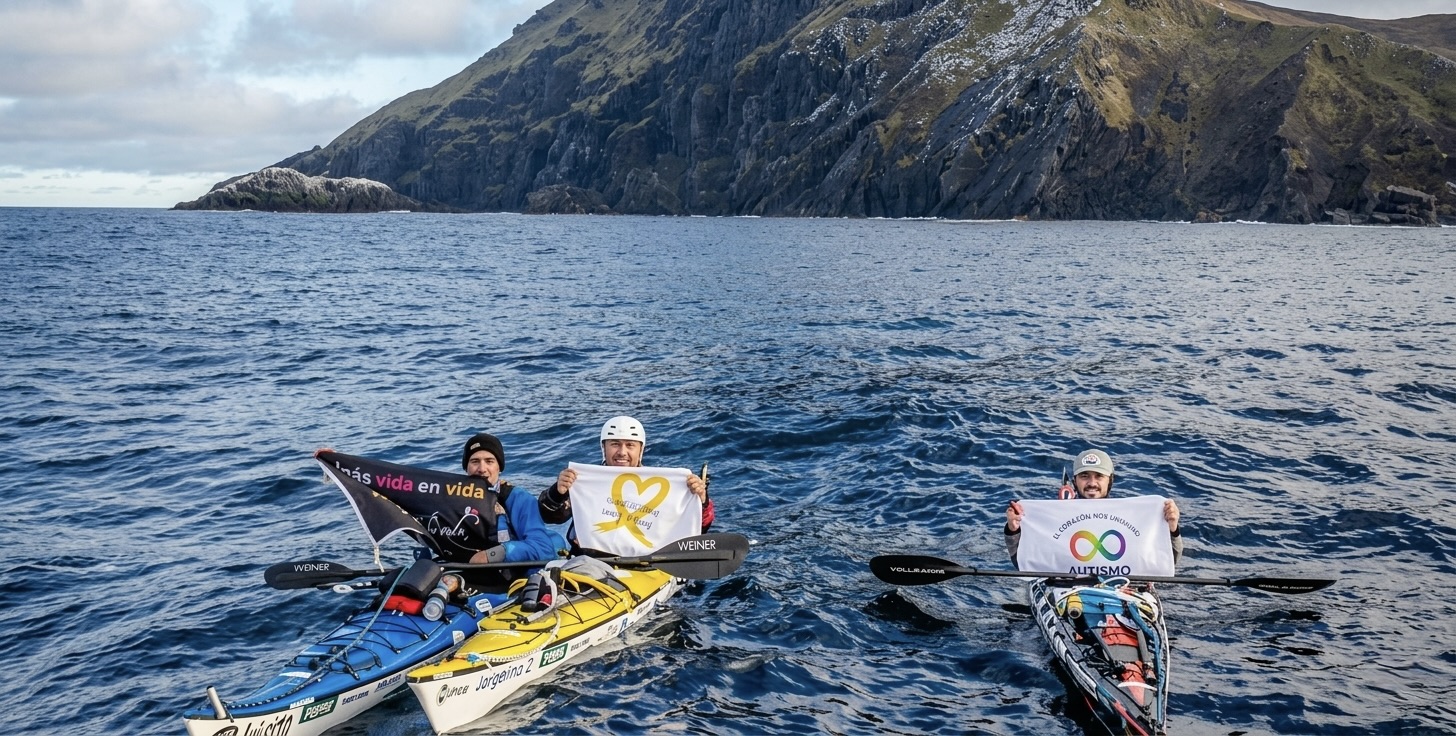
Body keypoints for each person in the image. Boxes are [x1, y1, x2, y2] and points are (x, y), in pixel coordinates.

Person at [538, 416, 715, 547]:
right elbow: (550, 516)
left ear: (640, 450)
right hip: (590, 560)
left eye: (630, 445)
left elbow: (696, 530)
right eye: (615, 444)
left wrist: (701, 500)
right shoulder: (583, 482)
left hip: (646, 564)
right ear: (604, 448)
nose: (622, 452)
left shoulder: (664, 486)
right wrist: (557, 493)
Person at [1004, 448, 1182, 565]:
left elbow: (1168, 561)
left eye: (1099, 476)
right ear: (1075, 481)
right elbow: (1022, 562)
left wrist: (1172, 527)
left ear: (1110, 480)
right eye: (1085, 476)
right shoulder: (1055, 518)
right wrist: (1013, 530)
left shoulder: (1133, 516)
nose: (1092, 483)